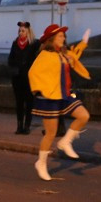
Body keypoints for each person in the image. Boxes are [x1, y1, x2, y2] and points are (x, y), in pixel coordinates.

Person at [29, 24, 92, 181]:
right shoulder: (44, 55)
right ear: (52, 39)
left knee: (84, 116)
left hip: (64, 94)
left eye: (63, 36)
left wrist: (83, 43)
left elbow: (75, 56)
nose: (63, 38)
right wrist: (41, 90)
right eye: (60, 36)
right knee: (51, 133)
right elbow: (33, 72)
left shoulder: (63, 54)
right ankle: (41, 163)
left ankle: (65, 141)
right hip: (49, 96)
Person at [8, 21, 39, 134]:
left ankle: (27, 126)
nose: (21, 33)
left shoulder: (34, 44)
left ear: (28, 32)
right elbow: (10, 59)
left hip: (29, 78)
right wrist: (14, 68)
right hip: (17, 78)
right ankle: (19, 125)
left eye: (23, 31)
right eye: (20, 31)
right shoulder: (15, 43)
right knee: (19, 102)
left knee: (29, 102)